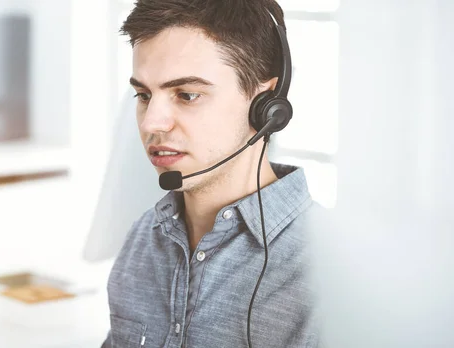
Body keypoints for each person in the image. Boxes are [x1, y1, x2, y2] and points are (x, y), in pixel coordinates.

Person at [101, 0, 322, 347]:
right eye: (143, 95)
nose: (150, 123)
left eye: (187, 95)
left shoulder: (330, 273)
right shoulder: (144, 238)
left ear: (266, 107)